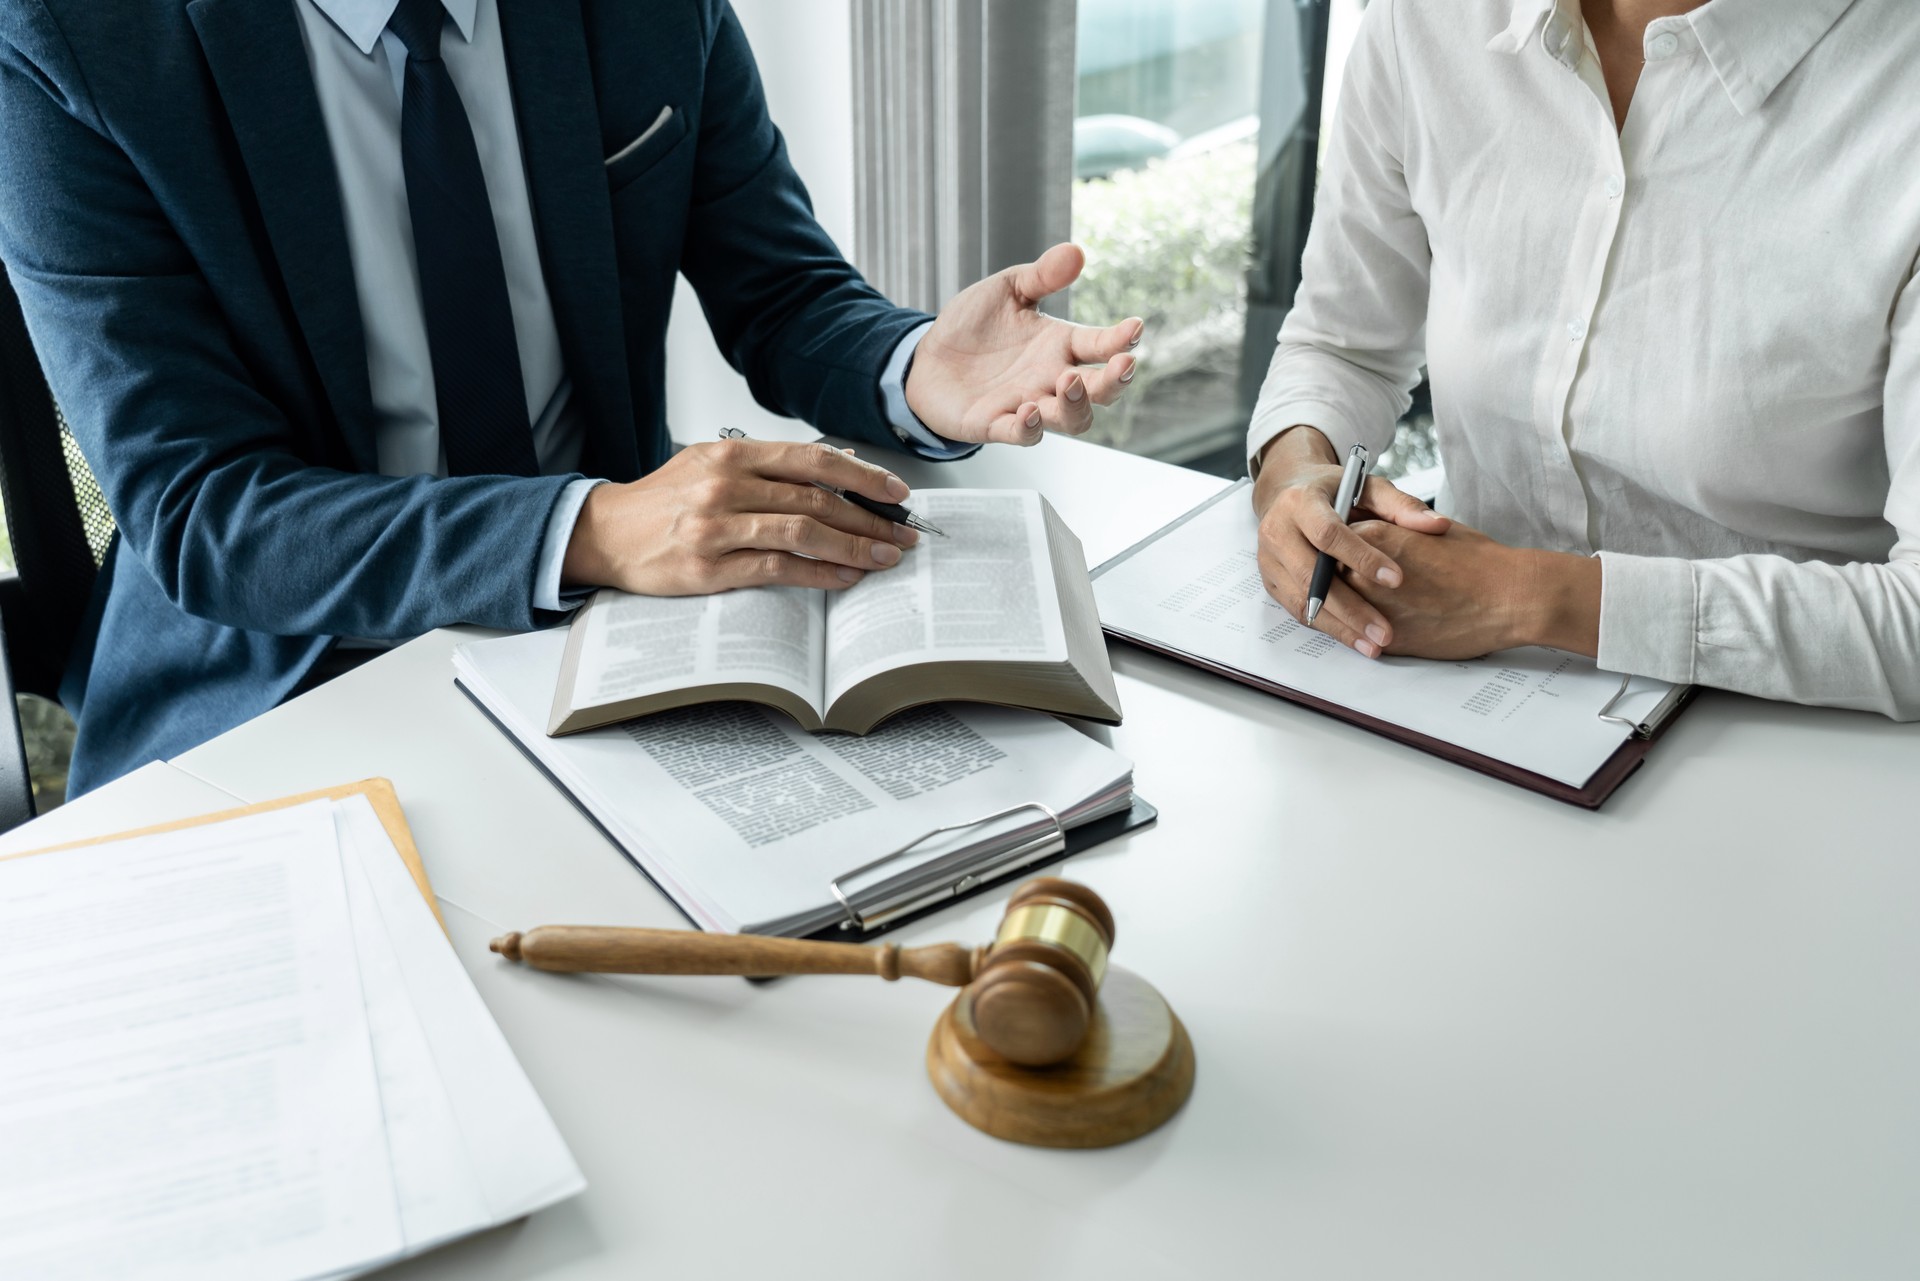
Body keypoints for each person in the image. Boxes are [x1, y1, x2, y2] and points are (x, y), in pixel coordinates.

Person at [0, 0, 1142, 795]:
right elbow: (210, 514)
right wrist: (592, 526)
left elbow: (782, 291)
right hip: (286, 673)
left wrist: (914, 370)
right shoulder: (70, 40)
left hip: (622, 638)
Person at [1248, 0, 1920, 718]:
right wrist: (1295, 479)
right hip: (1455, 708)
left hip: (1800, 745)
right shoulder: (1428, 18)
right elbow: (1341, 345)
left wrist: (1527, 596)